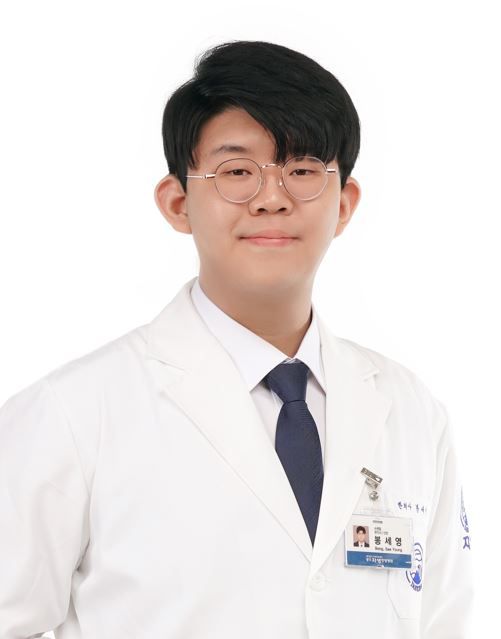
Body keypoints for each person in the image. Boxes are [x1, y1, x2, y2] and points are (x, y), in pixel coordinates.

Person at [0, 40, 473, 638]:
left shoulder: (412, 414)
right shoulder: (72, 414)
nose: (272, 198)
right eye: (237, 172)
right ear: (178, 203)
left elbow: (447, 624)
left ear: (344, 204)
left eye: (303, 170)